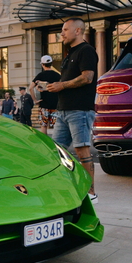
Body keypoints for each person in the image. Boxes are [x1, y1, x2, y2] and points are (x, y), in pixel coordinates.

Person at [46, 17, 99, 203]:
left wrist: (62, 85)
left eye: (65, 29)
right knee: (56, 151)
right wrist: (54, 86)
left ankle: (91, 194)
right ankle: (63, 187)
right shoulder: (70, 53)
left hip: (79, 110)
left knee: (82, 150)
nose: (62, 33)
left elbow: (87, 78)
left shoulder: (87, 50)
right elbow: (68, 81)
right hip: (63, 110)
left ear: (78, 31)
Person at [30, 55, 61, 134]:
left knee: (43, 125)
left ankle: (46, 145)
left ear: (42, 64)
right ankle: (56, 145)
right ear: (51, 64)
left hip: (44, 104)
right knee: (56, 126)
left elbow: (30, 88)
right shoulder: (58, 75)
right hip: (56, 105)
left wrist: (35, 100)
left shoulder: (40, 75)